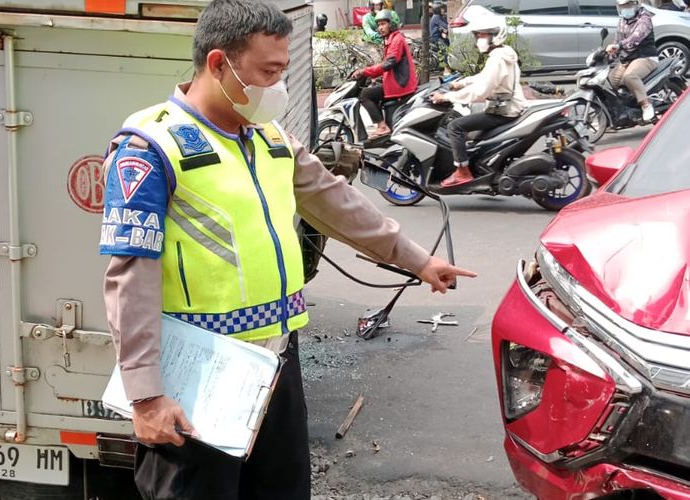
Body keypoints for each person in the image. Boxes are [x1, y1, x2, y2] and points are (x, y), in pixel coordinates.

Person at [99, 0, 477, 498]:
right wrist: (145, 395)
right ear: (219, 63)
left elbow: (337, 203)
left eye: (283, 71)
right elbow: (132, 273)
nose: (276, 86)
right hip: (197, 375)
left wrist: (418, 259)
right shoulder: (152, 147)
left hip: (274, 364)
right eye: (268, 71)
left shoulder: (270, 138)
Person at [430, 16, 525, 187]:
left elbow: (480, 91)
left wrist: (447, 96)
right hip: (508, 107)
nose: (478, 40)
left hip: (502, 112)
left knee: (455, 126)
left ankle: (463, 172)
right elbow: (484, 78)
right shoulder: (504, 53)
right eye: (477, 36)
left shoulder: (497, 59)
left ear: (494, 36)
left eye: (481, 36)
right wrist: (460, 83)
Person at [353, 9, 418, 139]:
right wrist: (375, 77)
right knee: (372, 90)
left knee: (365, 95)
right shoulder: (392, 39)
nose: (380, 28)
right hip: (396, 82)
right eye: (379, 25)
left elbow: (389, 63)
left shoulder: (397, 40)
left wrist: (365, 71)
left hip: (400, 85)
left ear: (392, 24)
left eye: (383, 24)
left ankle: (382, 126)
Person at [606, 0, 659, 122]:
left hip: (645, 57)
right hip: (628, 59)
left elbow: (635, 38)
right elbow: (617, 42)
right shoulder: (622, 21)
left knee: (630, 76)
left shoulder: (645, 19)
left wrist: (618, 46)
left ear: (635, 4)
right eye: (622, 6)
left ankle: (646, 105)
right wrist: (608, 55)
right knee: (610, 81)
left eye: (627, 5)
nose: (625, 8)